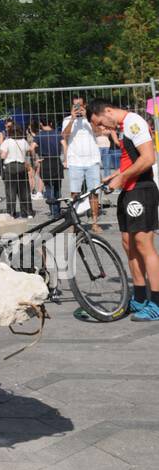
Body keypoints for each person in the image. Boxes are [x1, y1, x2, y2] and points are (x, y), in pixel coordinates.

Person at [88, 100, 159, 319]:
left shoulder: (133, 122)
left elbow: (148, 158)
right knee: (129, 243)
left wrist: (123, 177)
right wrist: (117, 174)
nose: (102, 128)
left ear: (108, 111)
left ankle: (156, 302)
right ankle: (139, 297)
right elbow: (132, 159)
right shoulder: (123, 128)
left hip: (141, 189)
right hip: (129, 189)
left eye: (100, 122)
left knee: (143, 243)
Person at [62, 96, 102, 234]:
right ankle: (74, 223)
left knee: (94, 193)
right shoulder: (67, 119)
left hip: (92, 160)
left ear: (85, 105)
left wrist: (88, 118)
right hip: (75, 161)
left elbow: (99, 132)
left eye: (80, 105)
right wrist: (72, 119)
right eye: (75, 106)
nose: (78, 108)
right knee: (74, 193)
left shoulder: (91, 118)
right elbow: (64, 135)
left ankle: (95, 223)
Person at [0, 123, 32, 218]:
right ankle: (27, 212)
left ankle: (11, 213)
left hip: (10, 167)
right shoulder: (23, 141)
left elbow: (3, 156)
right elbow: (28, 150)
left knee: (10, 192)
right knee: (24, 191)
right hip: (21, 167)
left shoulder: (7, 141)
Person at [34, 117, 64, 219]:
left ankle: (53, 211)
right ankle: (57, 210)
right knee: (57, 187)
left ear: (41, 124)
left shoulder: (39, 135)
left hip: (45, 161)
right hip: (56, 161)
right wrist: (66, 159)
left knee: (48, 187)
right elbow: (65, 145)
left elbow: (31, 147)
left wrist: (36, 158)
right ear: (51, 123)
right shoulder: (58, 134)